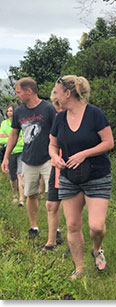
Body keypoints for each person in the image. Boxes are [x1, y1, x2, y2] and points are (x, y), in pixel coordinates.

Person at [49, 75, 114, 279]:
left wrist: (85, 153)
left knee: (96, 226)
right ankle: (79, 268)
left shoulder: (95, 114)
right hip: (70, 176)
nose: (56, 96)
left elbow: (108, 142)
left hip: (97, 175)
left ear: (68, 93)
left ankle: (97, 248)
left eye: (57, 92)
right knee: (73, 225)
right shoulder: (59, 117)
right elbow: (52, 145)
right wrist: (54, 158)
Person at [1, 77, 56, 238]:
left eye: (18, 92)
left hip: (48, 158)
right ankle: (34, 228)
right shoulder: (19, 111)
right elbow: (13, 134)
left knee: (52, 196)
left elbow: (57, 132)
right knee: (30, 194)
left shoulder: (48, 108)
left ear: (29, 91)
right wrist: (6, 157)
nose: (16, 96)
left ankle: (56, 230)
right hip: (28, 159)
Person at [37, 88, 66, 252]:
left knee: (71, 207)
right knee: (50, 204)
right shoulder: (56, 119)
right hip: (56, 165)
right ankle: (51, 242)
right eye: (55, 104)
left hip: (71, 166)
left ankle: (73, 244)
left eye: (59, 103)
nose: (58, 107)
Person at [0, 103, 25, 207]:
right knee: (12, 175)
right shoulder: (4, 123)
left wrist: (9, 138)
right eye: (8, 111)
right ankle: (14, 195)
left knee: (20, 174)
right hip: (9, 152)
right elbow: (1, 139)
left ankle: (21, 199)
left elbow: (23, 140)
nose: (9, 113)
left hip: (21, 151)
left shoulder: (21, 123)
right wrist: (13, 139)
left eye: (11, 111)